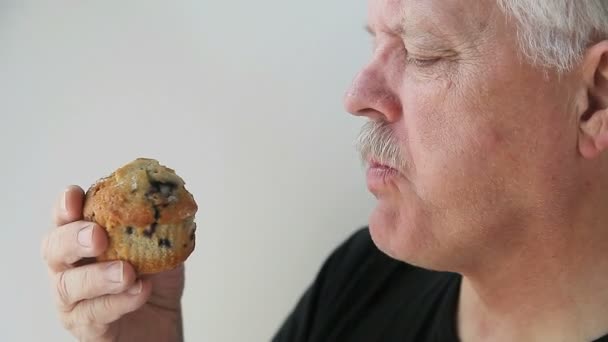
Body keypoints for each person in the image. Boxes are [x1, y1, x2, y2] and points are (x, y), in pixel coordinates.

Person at [41, 0, 608, 341]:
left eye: (427, 52)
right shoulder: (363, 277)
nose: (358, 95)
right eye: (377, 42)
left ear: (593, 100)